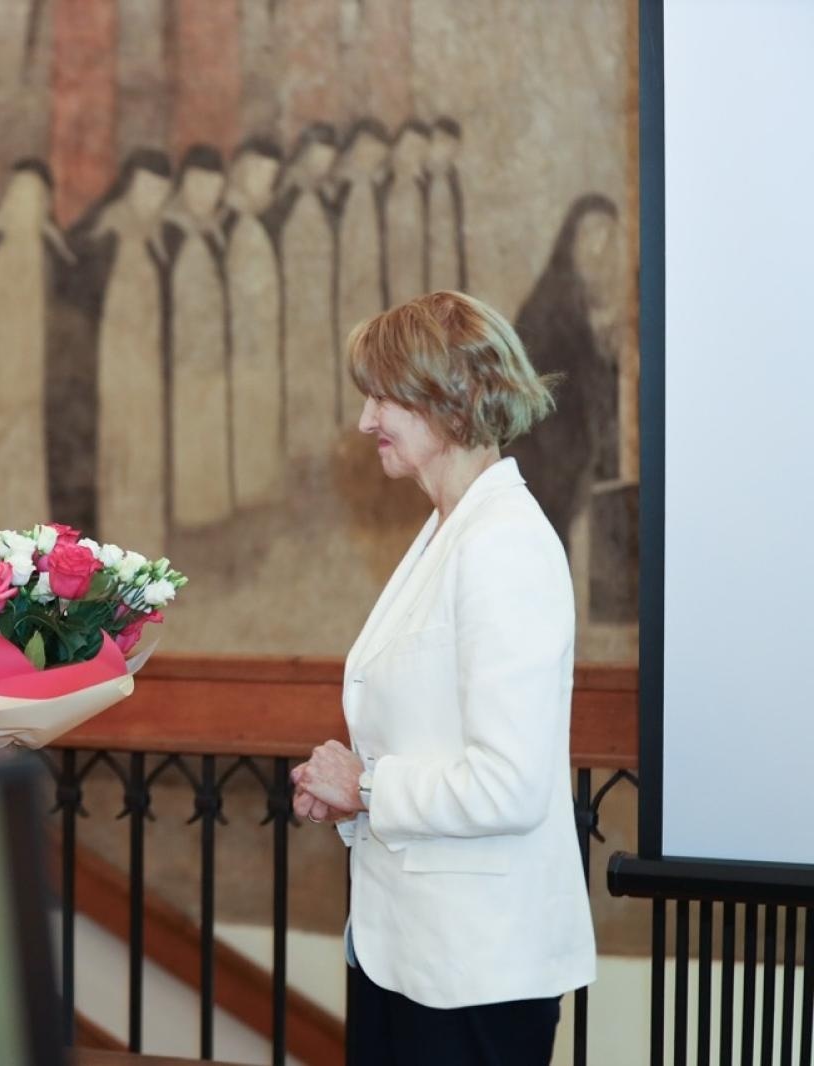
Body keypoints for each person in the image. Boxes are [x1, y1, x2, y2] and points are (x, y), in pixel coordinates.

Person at [290, 290, 596, 1065]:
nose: (365, 422)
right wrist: (352, 803)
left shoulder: (504, 546)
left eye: (382, 397)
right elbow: (433, 740)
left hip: (475, 974)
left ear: (449, 401)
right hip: (412, 956)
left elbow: (510, 783)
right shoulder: (449, 532)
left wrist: (367, 787)